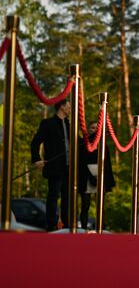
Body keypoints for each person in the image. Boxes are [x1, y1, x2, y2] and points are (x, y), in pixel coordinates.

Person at [31, 98, 71, 231]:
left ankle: (67, 224)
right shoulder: (48, 123)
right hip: (55, 166)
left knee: (67, 197)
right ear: (62, 107)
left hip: (69, 168)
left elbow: (78, 142)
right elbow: (36, 142)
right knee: (54, 195)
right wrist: (36, 158)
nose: (70, 109)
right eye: (68, 106)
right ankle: (51, 224)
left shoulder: (69, 124)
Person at [78, 121, 116, 230]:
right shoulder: (82, 144)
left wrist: (108, 181)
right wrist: (90, 177)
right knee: (85, 205)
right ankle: (83, 228)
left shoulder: (103, 145)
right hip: (86, 176)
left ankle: (101, 227)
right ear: (88, 130)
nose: (94, 130)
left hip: (100, 175)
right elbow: (81, 162)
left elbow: (107, 164)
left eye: (96, 128)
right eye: (92, 128)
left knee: (100, 205)